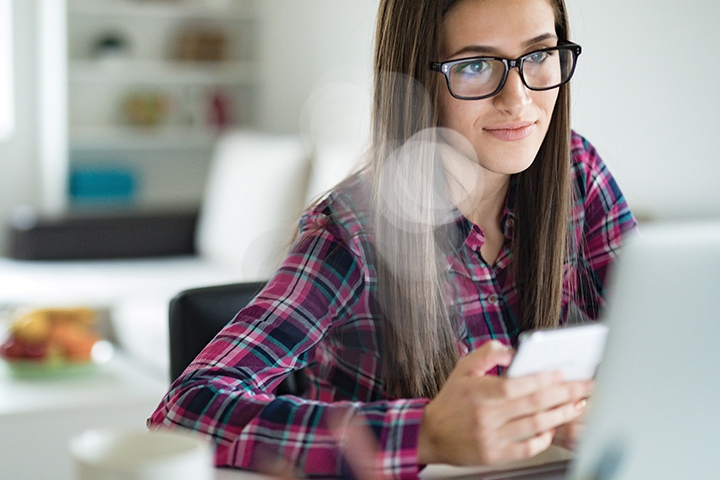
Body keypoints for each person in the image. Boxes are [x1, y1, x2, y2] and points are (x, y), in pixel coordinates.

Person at [149, 0, 637, 477]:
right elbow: (184, 411)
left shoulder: (577, 172)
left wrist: (610, 397)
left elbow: (656, 340)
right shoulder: (350, 234)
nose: (518, 100)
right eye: (474, 66)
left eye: (539, 56)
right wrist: (425, 433)